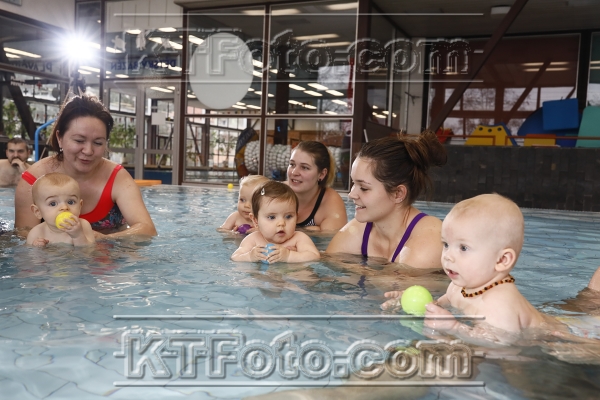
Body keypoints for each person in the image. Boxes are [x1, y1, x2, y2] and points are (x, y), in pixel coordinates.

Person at [382, 194, 545, 341]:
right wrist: (412, 300)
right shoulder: (457, 287)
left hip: (544, 340)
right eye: (446, 244)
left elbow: (500, 344)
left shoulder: (499, 303)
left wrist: (455, 327)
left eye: (463, 248)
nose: (448, 256)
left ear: (502, 260)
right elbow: (437, 306)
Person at [14, 94, 157, 238]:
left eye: (98, 143)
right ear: (59, 137)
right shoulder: (34, 179)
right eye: (79, 140)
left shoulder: (117, 178)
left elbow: (147, 230)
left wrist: (104, 239)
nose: (88, 151)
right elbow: (23, 238)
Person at [326, 131, 447, 269]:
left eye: (364, 188)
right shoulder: (360, 229)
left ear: (398, 193)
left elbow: (399, 281)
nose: (351, 194)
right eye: (354, 183)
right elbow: (324, 269)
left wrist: (354, 270)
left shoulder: (430, 237)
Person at [231, 180, 320, 263]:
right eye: (272, 217)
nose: (281, 223)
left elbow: (314, 256)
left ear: (296, 217)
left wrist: (289, 256)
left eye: (288, 216)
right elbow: (235, 257)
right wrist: (250, 256)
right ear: (255, 220)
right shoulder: (253, 240)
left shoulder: (299, 238)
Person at [286, 141, 347, 231]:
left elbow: (331, 238)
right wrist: (314, 230)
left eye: (304, 167)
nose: (294, 172)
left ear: (322, 174)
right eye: (292, 164)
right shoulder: (277, 193)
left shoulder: (330, 203)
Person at [26, 172, 95, 247]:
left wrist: (78, 236)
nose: (64, 207)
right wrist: (37, 250)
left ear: (80, 206)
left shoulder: (83, 226)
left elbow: (89, 252)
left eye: (71, 202)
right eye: (53, 203)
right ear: (38, 212)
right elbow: (29, 254)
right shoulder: (36, 233)